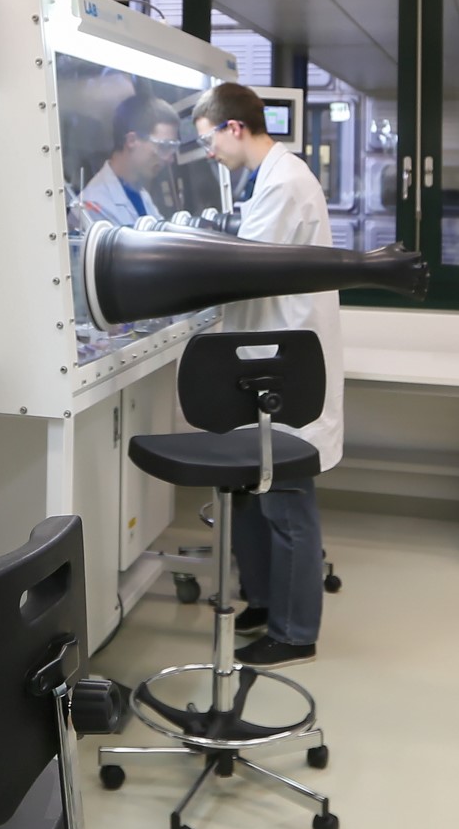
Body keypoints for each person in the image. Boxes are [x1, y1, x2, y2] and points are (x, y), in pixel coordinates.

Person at [193, 80, 342, 666]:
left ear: (234, 127)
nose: (209, 152)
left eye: (209, 140)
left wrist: (188, 252)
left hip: (286, 368)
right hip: (265, 361)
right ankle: (262, 602)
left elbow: (245, 267)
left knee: (286, 503)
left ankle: (295, 633)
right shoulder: (270, 179)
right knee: (255, 496)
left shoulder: (284, 181)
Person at [78, 92, 182, 227]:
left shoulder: (139, 193)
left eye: (172, 148)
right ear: (132, 140)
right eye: (163, 146)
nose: (169, 159)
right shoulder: (93, 204)